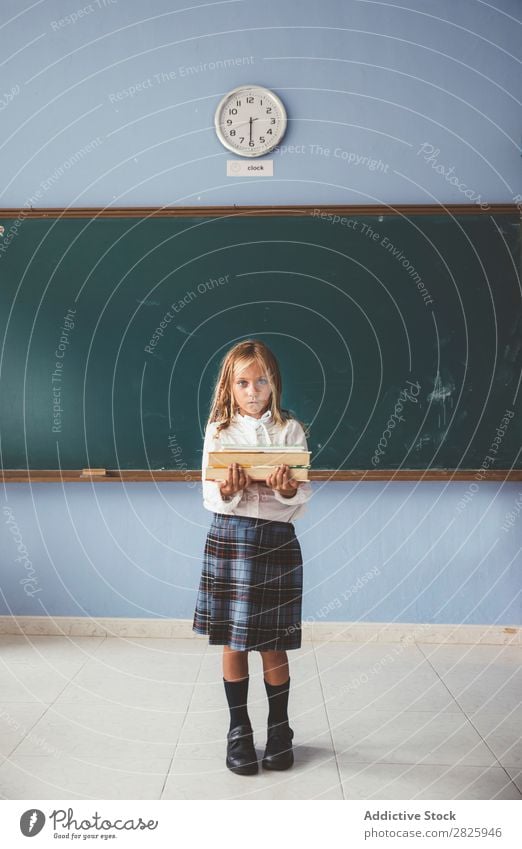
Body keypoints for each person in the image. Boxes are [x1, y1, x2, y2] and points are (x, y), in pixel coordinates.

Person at [192, 339, 312, 776]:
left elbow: (299, 499)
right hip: (230, 538)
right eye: (243, 382)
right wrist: (229, 490)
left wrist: (284, 489)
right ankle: (238, 731)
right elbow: (211, 496)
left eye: (262, 380)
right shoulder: (219, 431)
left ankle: (279, 730)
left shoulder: (291, 430)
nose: (253, 389)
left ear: (274, 383)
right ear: (231, 385)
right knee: (234, 638)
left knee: (274, 641)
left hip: (277, 541)